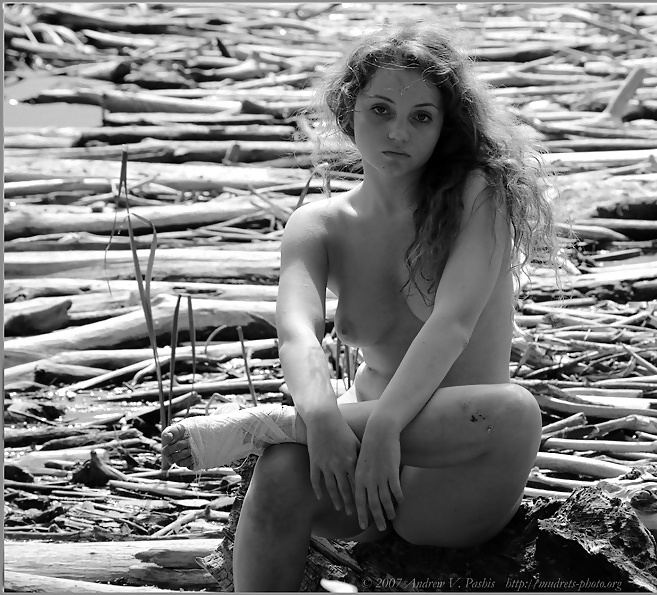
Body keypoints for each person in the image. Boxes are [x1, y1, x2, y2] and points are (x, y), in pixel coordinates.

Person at [162, 19, 560, 592]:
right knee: (280, 469)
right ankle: (295, 433)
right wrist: (323, 419)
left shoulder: (478, 196)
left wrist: (385, 427)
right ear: (349, 112)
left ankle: (277, 426)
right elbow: (297, 333)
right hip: (355, 455)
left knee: (514, 410)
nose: (398, 131)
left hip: (456, 469)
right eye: (381, 110)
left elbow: (452, 324)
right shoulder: (319, 224)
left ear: (444, 127)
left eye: (421, 117)